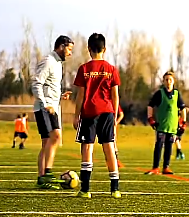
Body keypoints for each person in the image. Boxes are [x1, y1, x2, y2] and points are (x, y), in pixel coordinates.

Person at [72, 33, 121, 199]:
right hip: (107, 112)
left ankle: (85, 189)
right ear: (104, 49)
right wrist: (114, 115)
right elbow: (115, 95)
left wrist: (75, 115)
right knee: (109, 148)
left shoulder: (84, 69)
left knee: (87, 148)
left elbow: (80, 95)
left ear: (89, 49)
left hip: (89, 113)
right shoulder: (111, 69)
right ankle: (115, 189)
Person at [31, 35, 74, 189]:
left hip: (52, 106)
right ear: (61, 46)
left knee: (46, 143)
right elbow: (36, 83)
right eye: (69, 49)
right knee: (55, 136)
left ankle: (42, 178)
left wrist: (60, 97)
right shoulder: (48, 61)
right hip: (45, 108)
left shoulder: (58, 64)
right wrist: (44, 104)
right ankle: (47, 173)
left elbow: (48, 87)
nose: (70, 53)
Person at [146, 71, 186, 175]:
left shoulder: (177, 94)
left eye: (170, 80)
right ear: (163, 81)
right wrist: (150, 118)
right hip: (161, 126)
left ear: (174, 81)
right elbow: (150, 105)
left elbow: (183, 108)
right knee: (159, 145)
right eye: (166, 80)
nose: (168, 82)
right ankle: (155, 167)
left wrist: (183, 122)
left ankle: (166, 167)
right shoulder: (159, 93)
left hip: (172, 126)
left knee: (169, 146)